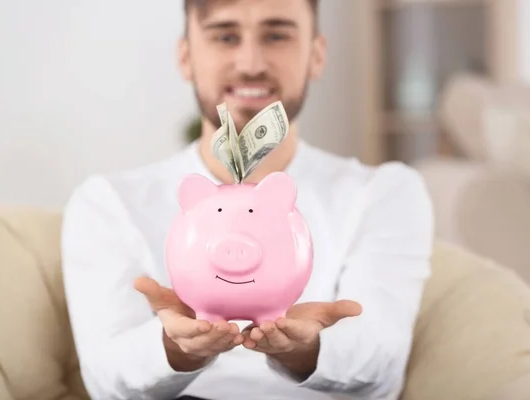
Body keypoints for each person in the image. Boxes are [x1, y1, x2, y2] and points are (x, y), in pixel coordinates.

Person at [60, 0, 434, 399]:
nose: (251, 63)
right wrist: (175, 349)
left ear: (316, 54)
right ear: (186, 57)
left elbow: (383, 363)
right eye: (225, 36)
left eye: (277, 35)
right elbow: (104, 377)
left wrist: (305, 351)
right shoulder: (107, 202)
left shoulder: (384, 193)